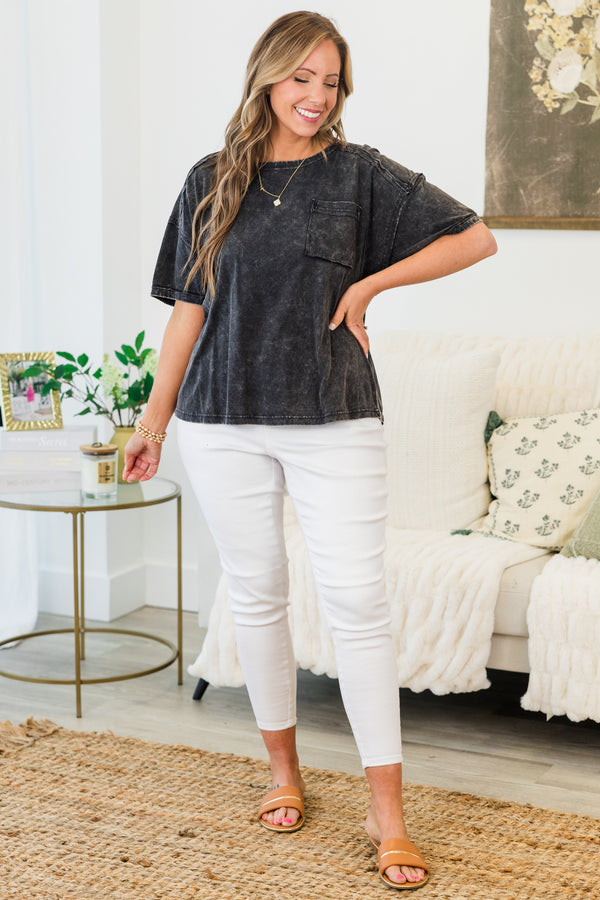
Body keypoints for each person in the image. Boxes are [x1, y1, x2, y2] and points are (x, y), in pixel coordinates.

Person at [124, 10, 497, 891]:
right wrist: (152, 423)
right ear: (268, 76)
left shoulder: (360, 175)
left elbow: (475, 237)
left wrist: (370, 285)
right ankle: (283, 773)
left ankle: (386, 812)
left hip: (334, 417)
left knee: (358, 603)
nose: (316, 96)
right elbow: (188, 311)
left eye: (331, 82)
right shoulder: (210, 178)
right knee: (256, 595)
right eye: (302, 78)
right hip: (221, 419)